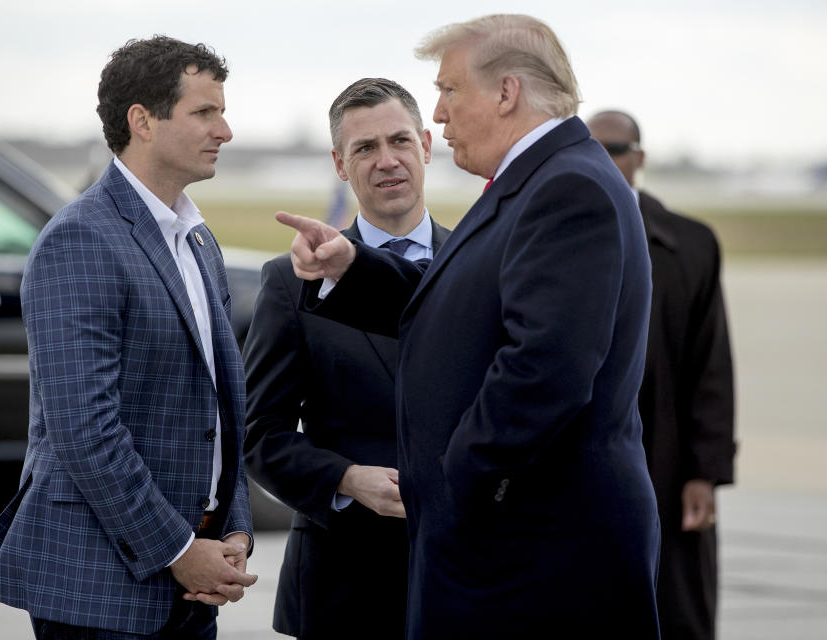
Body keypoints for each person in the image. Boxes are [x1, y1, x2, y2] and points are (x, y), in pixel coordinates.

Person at [275, 14, 661, 639]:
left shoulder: (567, 188)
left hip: (534, 550)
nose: (439, 113)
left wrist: (455, 485)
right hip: (515, 546)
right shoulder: (538, 180)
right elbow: (457, 308)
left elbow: (545, 370)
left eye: (449, 90)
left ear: (506, 92)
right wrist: (353, 268)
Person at [0, 36, 257, 639]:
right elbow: (83, 429)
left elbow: (218, 410)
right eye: (205, 112)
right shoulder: (81, 240)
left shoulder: (197, 241)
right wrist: (178, 549)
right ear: (142, 121)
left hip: (193, 579)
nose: (224, 130)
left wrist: (234, 528)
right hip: (100, 587)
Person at [243, 78, 450, 639]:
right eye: (365, 148)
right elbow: (259, 434)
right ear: (340, 163)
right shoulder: (292, 282)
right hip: (345, 584)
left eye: (399, 141)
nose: (387, 161)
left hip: (467, 578)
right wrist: (347, 479)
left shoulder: (481, 264)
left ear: (427, 146)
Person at [588, 109, 736, 640]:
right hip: (584, 463)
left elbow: (711, 365)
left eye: (616, 148)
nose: (604, 159)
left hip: (668, 462)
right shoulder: (553, 236)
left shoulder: (690, 243)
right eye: (591, 147)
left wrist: (706, 472)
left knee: (676, 606)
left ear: (640, 158)